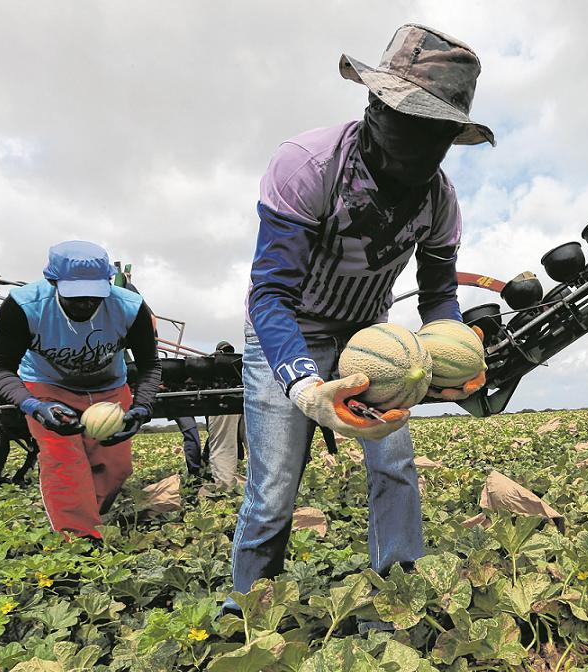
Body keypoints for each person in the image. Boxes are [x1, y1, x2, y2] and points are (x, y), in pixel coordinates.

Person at [229, 24, 492, 620]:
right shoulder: (308, 166)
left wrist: (447, 357)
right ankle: (246, 607)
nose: (422, 146)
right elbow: (269, 294)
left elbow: (438, 301)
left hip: (372, 337)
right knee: (273, 490)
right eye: (409, 121)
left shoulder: (440, 201)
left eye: (439, 133)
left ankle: (400, 592)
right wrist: (304, 385)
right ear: (375, 105)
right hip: (288, 328)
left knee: (395, 464)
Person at [0, 241, 162, 539]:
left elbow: (149, 365)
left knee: (116, 467)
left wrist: (142, 408)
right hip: (47, 388)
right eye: (75, 297)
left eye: (94, 296)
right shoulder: (24, 307)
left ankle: (90, 517)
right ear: (53, 282)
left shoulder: (130, 308)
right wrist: (34, 406)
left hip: (109, 388)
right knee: (64, 465)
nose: (85, 303)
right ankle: (79, 543)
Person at [204, 341, 248, 489]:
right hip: (247, 396)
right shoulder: (238, 363)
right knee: (257, 446)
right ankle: (265, 487)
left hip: (222, 399)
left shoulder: (213, 364)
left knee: (223, 446)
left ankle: (226, 489)